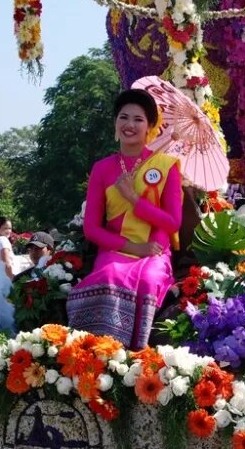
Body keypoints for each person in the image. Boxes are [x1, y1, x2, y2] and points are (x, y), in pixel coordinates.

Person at [66, 88, 182, 349]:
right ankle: (100, 352)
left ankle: (139, 353)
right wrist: (132, 247)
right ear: (115, 123)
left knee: (150, 280)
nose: (130, 125)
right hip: (115, 248)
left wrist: (134, 199)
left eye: (139, 119)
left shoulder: (166, 166)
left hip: (154, 251)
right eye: (124, 117)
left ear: (150, 126)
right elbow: (92, 228)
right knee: (110, 277)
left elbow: (173, 223)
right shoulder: (102, 168)